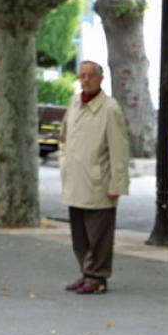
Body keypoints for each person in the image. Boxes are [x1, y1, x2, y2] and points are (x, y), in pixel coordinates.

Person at [60, 60, 130, 295]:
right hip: (75, 179)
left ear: (101, 79)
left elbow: (119, 150)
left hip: (99, 181)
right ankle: (86, 271)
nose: (86, 79)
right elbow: (64, 137)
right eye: (82, 75)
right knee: (79, 234)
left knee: (98, 235)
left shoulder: (110, 109)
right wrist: (64, 164)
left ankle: (98, 277)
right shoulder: (74, 103)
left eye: (91, 75)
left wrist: (117, 183)